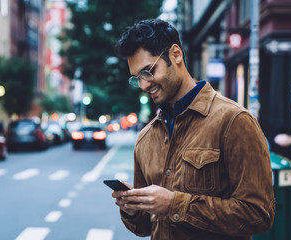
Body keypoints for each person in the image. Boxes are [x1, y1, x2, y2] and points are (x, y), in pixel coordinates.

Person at [110, 19, 275, 240]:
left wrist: (174, 204)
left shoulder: (234, 120)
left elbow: (259, 215)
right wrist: (132, 210)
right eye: (137, 78)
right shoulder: (145, 138)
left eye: (148, 71)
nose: (143, 85)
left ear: (176, 55)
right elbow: (145, 228)